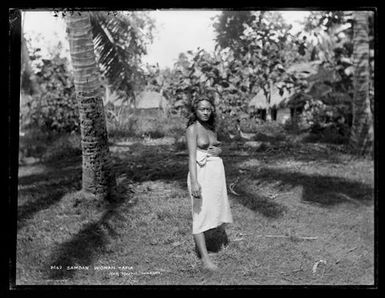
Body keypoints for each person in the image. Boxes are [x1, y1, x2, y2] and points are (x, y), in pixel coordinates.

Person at [185, 95, 233, 271]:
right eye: (201, 109)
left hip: (214, 177)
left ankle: (207, 248)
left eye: (208, 109)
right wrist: (195, 182)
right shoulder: (192, 129)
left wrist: (219, 150)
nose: (205, 112)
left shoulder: (211, 128)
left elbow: (215, 147)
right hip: (200, 175)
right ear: (195, 111)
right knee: (199, 215)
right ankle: (205, 260)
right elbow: (191, 157)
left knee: (210, 211)